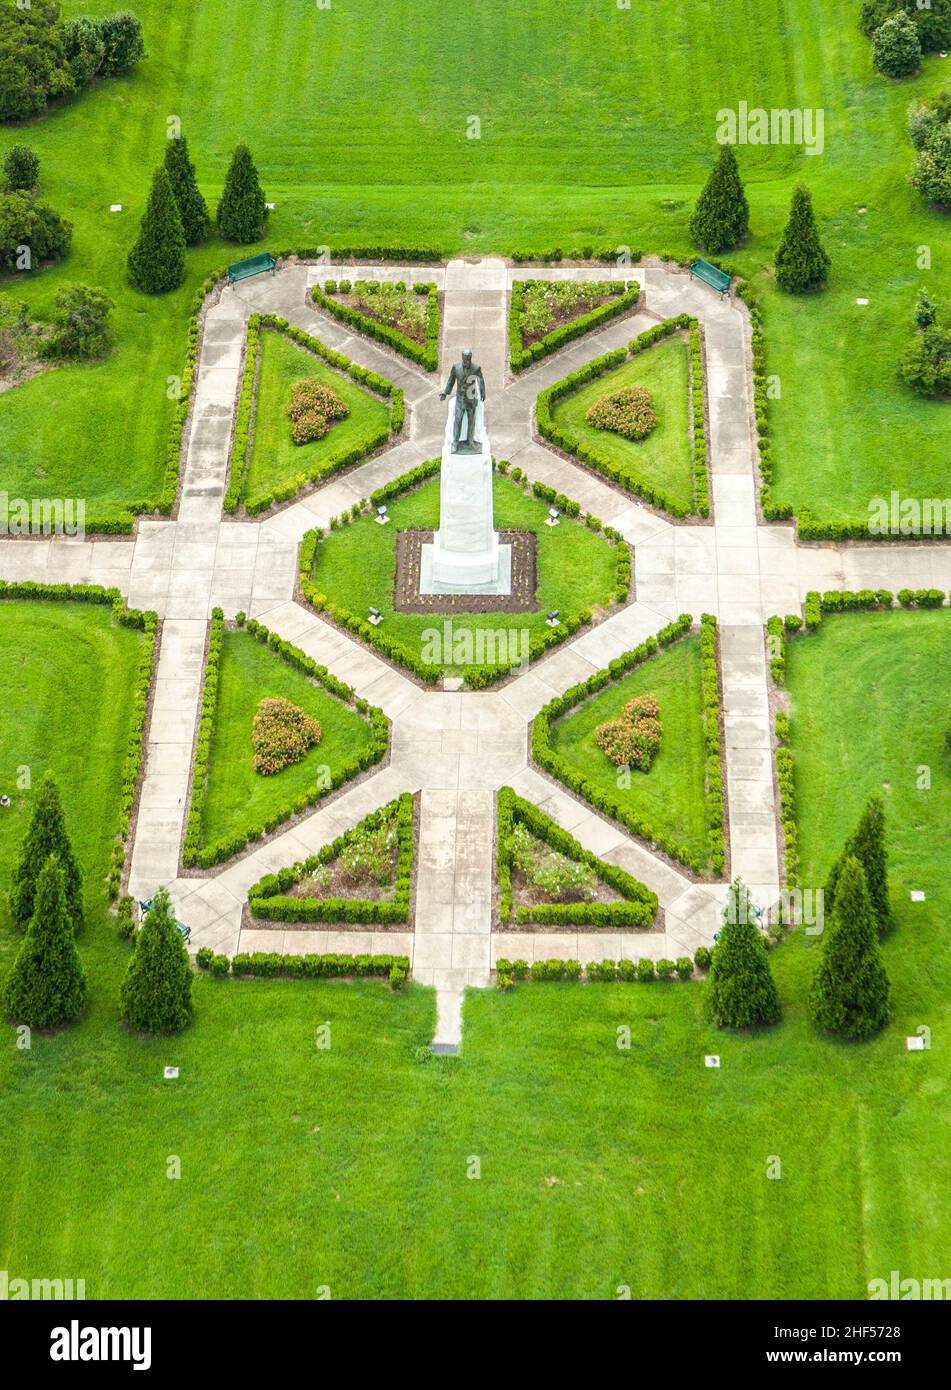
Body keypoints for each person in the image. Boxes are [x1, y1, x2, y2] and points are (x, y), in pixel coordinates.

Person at [440, 348, 486, 451]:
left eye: (468, 359)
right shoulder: (456, 367)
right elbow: (451, 380)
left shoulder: (476, 368)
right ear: (462, 358)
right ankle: (455, 443)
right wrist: (445, 392)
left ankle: (470, 441)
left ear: (471, 358)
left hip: (471, 398)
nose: (467, 361)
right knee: (458, 420)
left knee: (471, 420)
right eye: (465, 359)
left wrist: (483, 393)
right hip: (460, 399)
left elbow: (481, 380)